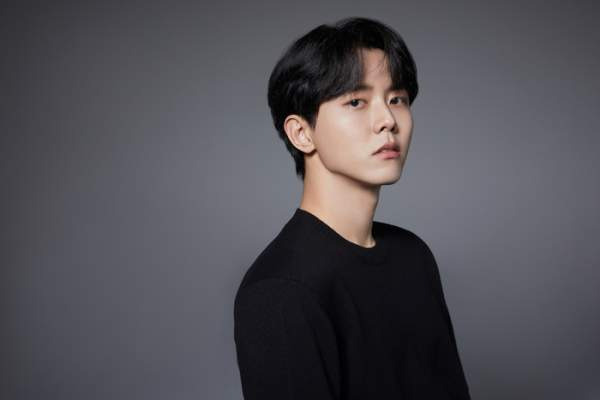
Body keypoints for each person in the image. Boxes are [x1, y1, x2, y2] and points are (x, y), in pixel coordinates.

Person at [233, 16, 471, 400]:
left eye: (397, 99)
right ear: (302, 133)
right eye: (356, 102)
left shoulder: (413, 256)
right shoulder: (279, 290)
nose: (387, 121)